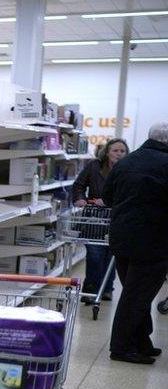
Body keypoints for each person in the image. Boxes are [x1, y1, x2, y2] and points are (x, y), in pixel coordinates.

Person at [101, 122, 168, 365]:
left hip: (122, 239)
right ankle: (121, 348)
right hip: (153, 242)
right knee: (136, 297)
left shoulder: (126, 162)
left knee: (135, 293)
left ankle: (142, 342)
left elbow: (107, 197)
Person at [71, 138, 129, 302]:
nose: (118, 154)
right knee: (95, 255)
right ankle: (90, 288)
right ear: (107, 152)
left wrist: (109, 200)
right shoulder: (94, 166)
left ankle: (107, 289)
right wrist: (80, 198)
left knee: (111, 256)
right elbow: (78, 186)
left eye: (122, 151)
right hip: (94, 218)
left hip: (116, 219)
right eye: (115, 151)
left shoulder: (128, 169)